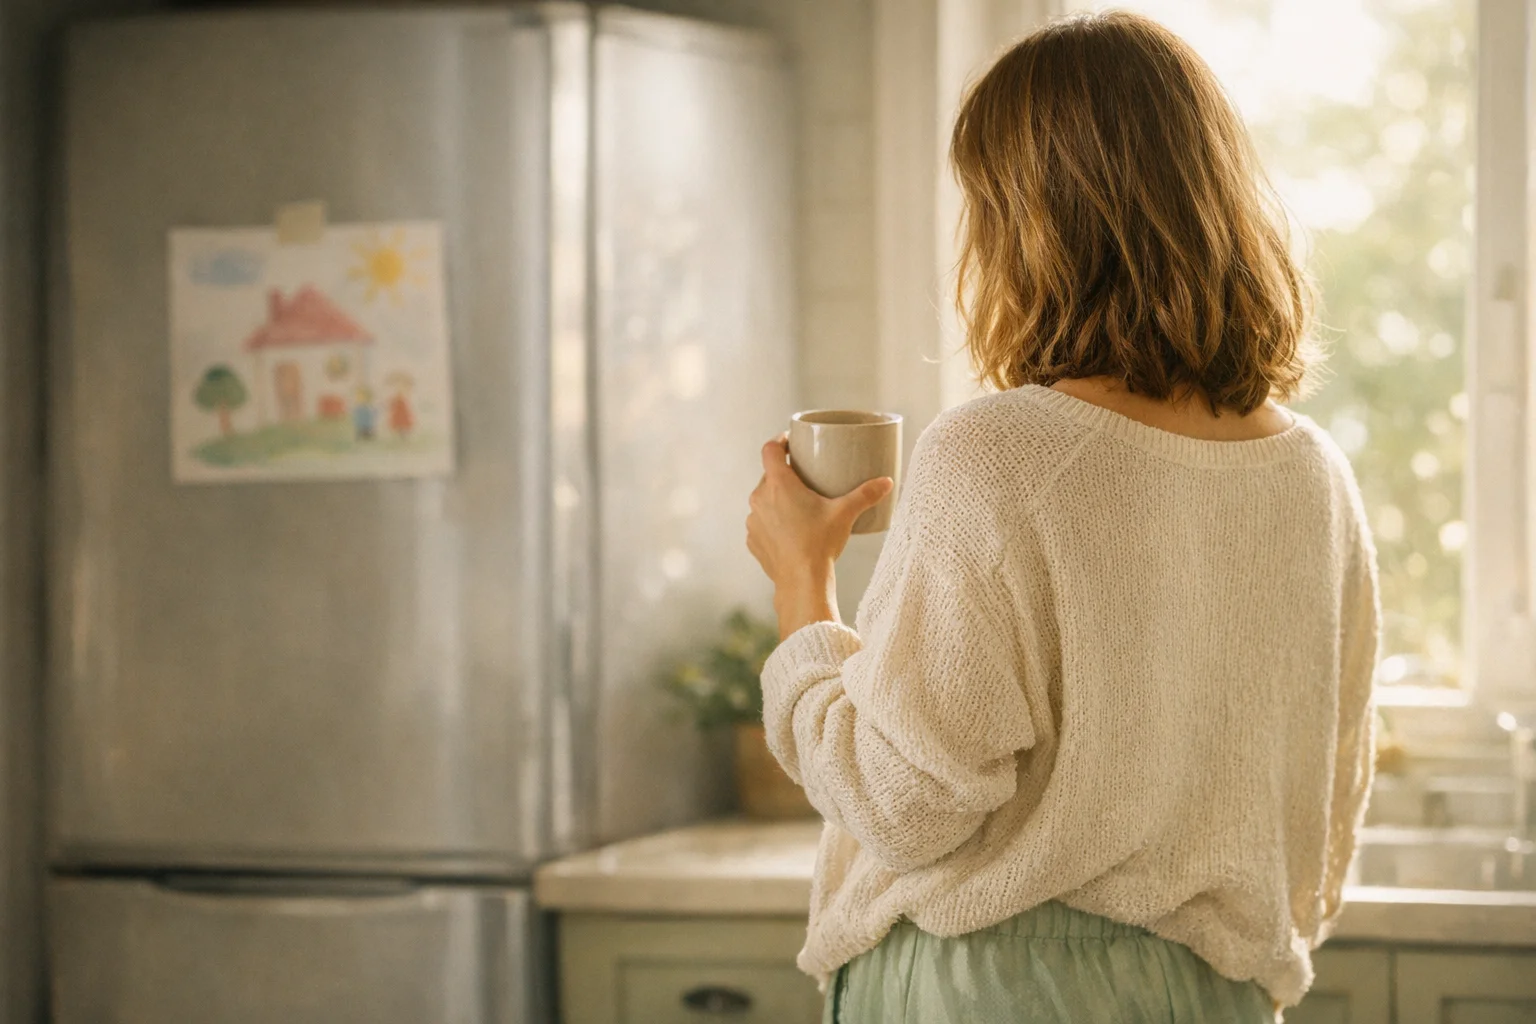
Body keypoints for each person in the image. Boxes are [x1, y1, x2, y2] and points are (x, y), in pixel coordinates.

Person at [744, 11, 1377, 1023]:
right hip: (1214, 995)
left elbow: (904, 805)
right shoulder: (1315, 476)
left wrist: (799, 583)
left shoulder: (995, 453)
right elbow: (1327, 811)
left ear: (1031, 222)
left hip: (990, 989)